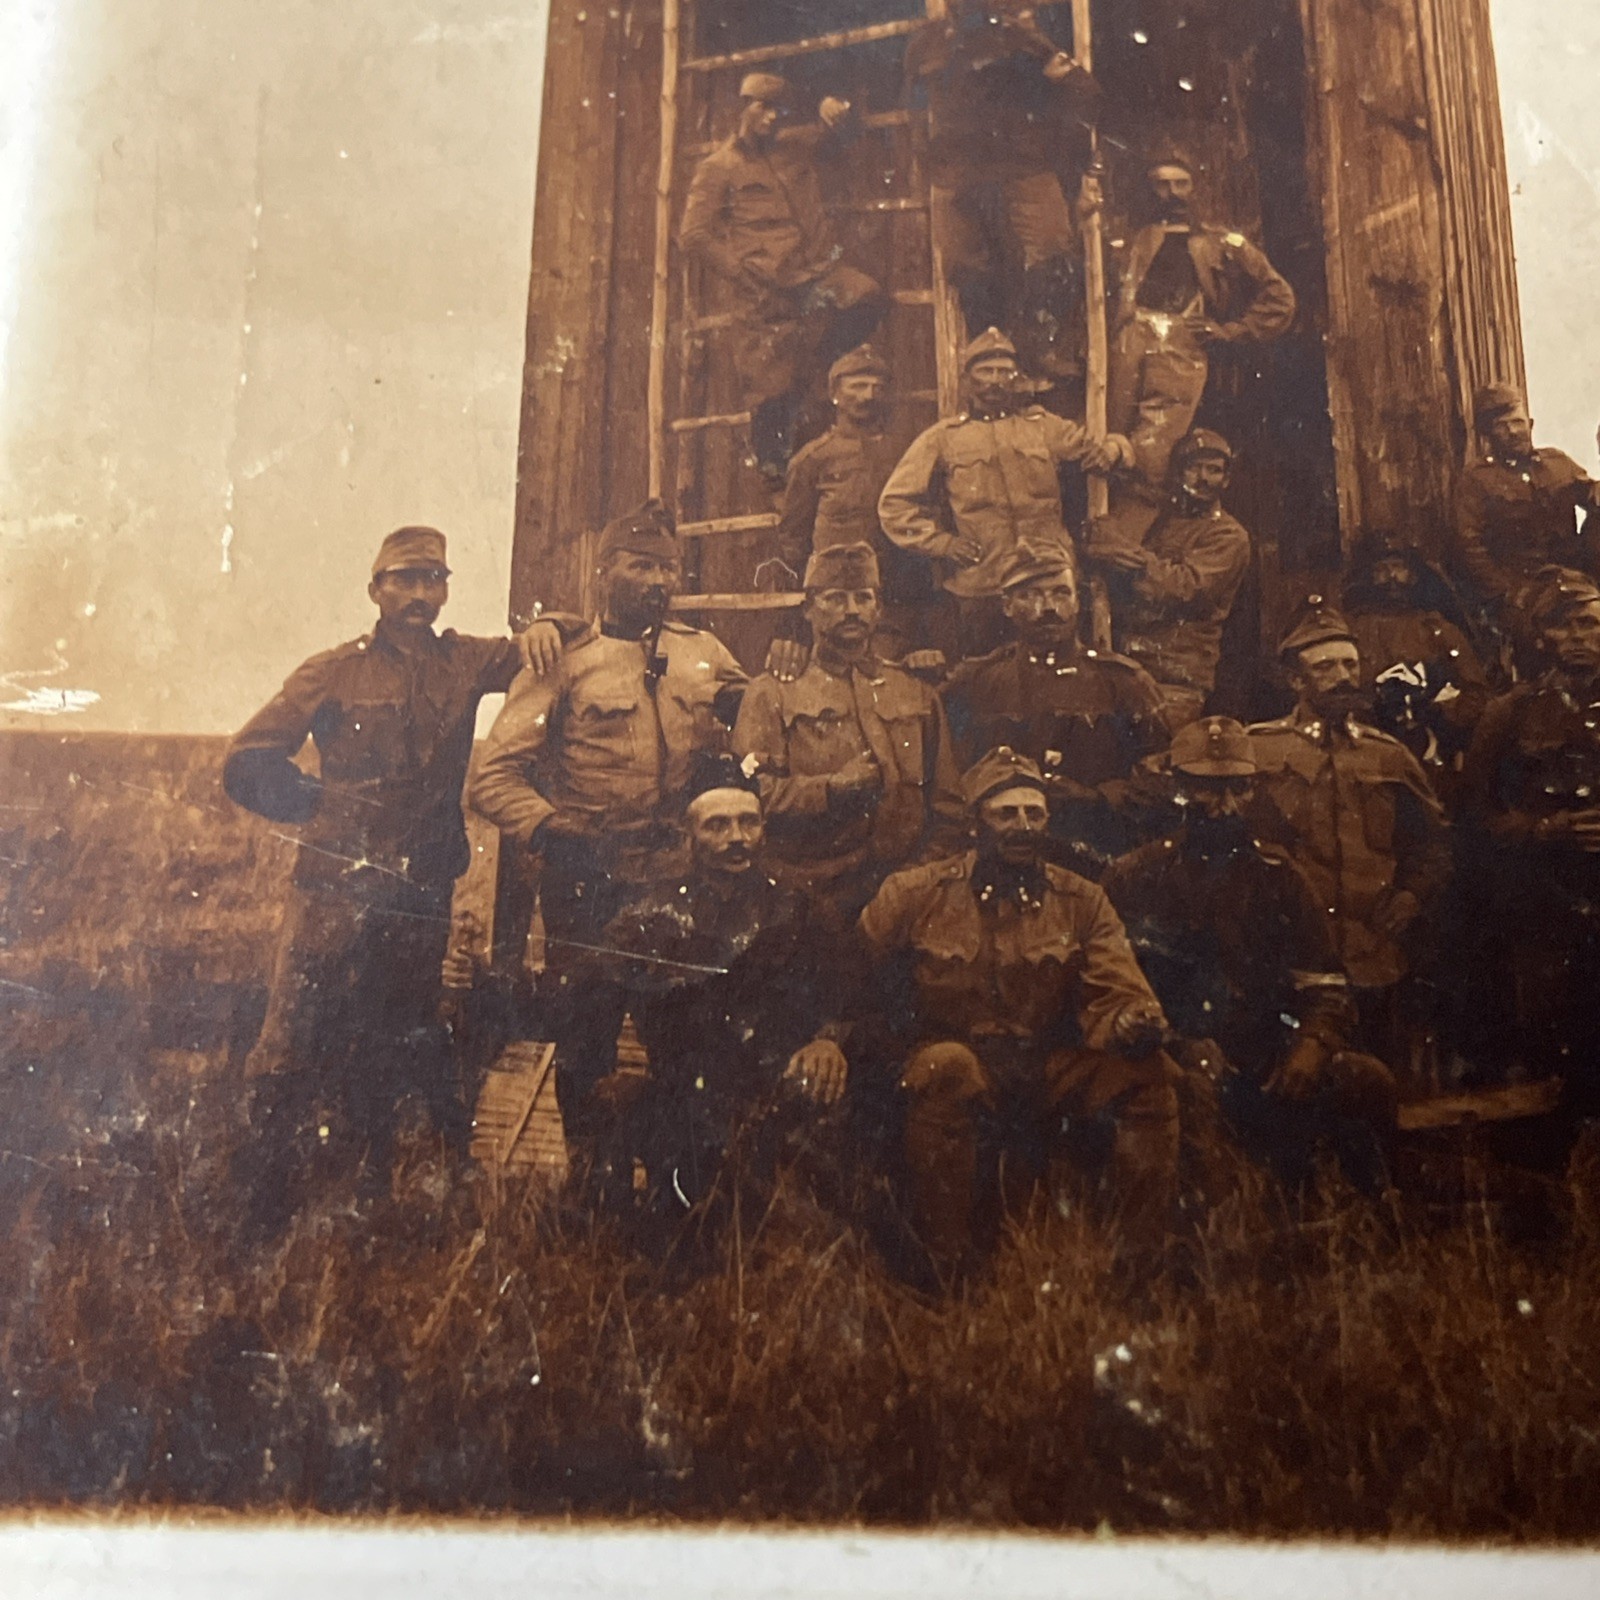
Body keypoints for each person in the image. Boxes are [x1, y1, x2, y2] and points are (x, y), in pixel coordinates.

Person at [221, 525, 577, 1236]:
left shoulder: (466, 661)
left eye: (433, 580)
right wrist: (316, 809)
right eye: (405, 580)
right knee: (289, 1050)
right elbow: (247, 758)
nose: (420, 595)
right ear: (376, 588)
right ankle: (258, 1213)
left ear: (445, 590)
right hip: (333, 895)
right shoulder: (334, 671)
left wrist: (546, 622)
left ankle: (373, 1203)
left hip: (416, 898)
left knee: (393, 1044)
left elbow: (569, 633)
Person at [467, 500, 747, 1167]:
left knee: (681, 1039)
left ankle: (677, 1202)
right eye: (641, 565)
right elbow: (493, 776)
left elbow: (763, 717)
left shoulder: (703, 654)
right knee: (586, 1041)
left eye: (668, 569)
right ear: (603, 574)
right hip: (587, 883)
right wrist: (553, 833)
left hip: (676, 877)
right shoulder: (565, 661)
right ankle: (591, 1198)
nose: (657, 582)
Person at [856, 747, 1180, 1283]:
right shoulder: (913, 893)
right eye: (1006, 814)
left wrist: (1129, 1021)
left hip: (1043, 1062)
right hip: (946, 1058)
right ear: (976, 823)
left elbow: (1117, 984)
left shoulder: (1082, 899)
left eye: (1034, 814)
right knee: (949, 1065)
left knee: (1150, 1075)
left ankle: (1139, 1264)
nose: (1022, 827)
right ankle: (942, 1264)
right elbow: (855, 983)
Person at [1104, 717, 1395, 1189]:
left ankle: (1376, 1221)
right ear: (1178, 789)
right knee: (1190, 1102)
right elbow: (1112, 986)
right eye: (1206, 790)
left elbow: (1327, 986)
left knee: (1367, 1081)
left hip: (1266, 1052)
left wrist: (1311, 1045)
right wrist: (1174, 1042)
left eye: (1236, 790)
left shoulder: (1279, 875)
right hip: (1173, 1052)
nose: (1222, 807)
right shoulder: (1137, 877)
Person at [590, 754, 856, 1241]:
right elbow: (594, 995)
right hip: (687, 1093)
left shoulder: (801, 906)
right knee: (694, 1230)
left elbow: (847, 993)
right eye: (718, 826)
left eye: (748, 822)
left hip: (781, 1086)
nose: (737, 838)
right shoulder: (652, 915)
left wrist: (828, 1040)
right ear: (690, 837)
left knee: (811, 1222)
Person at [1248, 600, 1451, 1079]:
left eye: (1350, 664)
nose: (1342, 676)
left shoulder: (1389, 756)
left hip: (1374, 956)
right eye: (1325, 667)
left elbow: (1433, 844)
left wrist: (1411, 895)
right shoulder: (1257, 750)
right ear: (1296, 681)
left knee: (1378, 1087)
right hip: (1292, 959)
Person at [733, 542, 963, 921]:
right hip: (808, 894)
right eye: (835, 599)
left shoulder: (915, 691)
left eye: (863, 598)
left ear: (878, 608)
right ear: (808, 609)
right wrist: (829, 790)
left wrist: (916, 878)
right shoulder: (772, 692)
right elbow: (750, 797)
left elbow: (949, 805)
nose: (852, 610)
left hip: (906, 891)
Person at [680, 72, 887, 485]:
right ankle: (775, 479)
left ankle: (816, 361)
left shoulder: (797, 147)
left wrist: (839, 109)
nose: (773, 118)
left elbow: (844, 136)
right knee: (772, 390)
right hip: (766, 289)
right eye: (764, 107)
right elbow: (693, 235)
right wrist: (740, 272)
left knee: (866, 296)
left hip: (815, 275)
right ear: (744, 107)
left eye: (781, 111)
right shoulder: (718, 168)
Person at [878, 326, 1131, 656]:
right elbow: (894, 504)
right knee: (984, 682)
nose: (995, 380)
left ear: (1017, 377)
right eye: (985, 371)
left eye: (1004, 371)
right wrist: (943, 543)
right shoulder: (943, 438)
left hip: (1048, 582)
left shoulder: (1043, 427)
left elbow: (1106, 448)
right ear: (968, 379)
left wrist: (1112, 450)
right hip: (983, 585)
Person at [941, 543, 1170, 878]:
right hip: (1000, 856)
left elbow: (1164, 775)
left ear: (1078, 601)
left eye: (1061, 593)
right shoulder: (978, 681)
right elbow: (946, 770)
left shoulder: (1123, 682)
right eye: (1031, 595)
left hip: (1094, 854)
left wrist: (1098, 797)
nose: (1049, 608)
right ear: (1007, 605)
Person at [1460, 568, 1600, 1114]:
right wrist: (1547, 830)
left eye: (1589, 625)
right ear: (1542, 637)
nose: (1578, 639)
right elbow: (1477, 817)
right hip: (1545, 906)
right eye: (1562, 628)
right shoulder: (1509, 713)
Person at [1105, 141, 1295, 542]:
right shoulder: (1129, 240)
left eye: (1181, 184)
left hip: (1178, 349)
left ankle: (1123, 546)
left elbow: (1279, 297)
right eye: (1161, 185)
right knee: (1109, 445)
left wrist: (1232, 331)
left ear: (1196, 188)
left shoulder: (1223, 242)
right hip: (1125, 346)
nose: (1171, 194)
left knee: (1149, 459)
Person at [904, 0, 1102, 381]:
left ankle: (1036, 345)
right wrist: (926, 166)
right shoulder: (925, 45)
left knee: (1053, 252)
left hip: (1022, 167)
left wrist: (1074, 166)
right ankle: (987, 360)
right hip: (956, 175)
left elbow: (1083, 93)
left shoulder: (1022, 39)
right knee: (968, 269)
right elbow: (914, 111)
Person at [774, 345, 934, 659]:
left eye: (877, 388)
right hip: (836, 593)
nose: (868, 396)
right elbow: (793, 540)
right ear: (835, 393)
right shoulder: (813, 458)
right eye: (857, 386)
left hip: (895, 594)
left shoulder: (905, 453)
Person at [1089, 427, 1252, 728]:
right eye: (1193, 467)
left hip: (1175, 679)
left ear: (1226, 480)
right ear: (1179, 474)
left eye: (1214, 470)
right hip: (1123, 668)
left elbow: (1185, 588)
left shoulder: (1228, 535)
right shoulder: (1155, 521)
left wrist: (1124, 554)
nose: (1202, 478)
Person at [1449, 383, 1600, 669]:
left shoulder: (1557, 462)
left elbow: (1589, 493)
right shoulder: (1477, 480)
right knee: (1542, 647)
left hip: (1573, 582)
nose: (1513, 432)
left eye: (1518, 423)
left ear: (1530, 424)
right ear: (1487, 435)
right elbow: (1469, 545)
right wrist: (1504, 593)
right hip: (1519, 589)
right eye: (1502, 427)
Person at [1342, 527, 1490, 804]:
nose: (1391, 578)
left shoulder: (1438, 630)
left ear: (1414, 575)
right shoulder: (1351, 630)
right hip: (1365, 749)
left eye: (1398, 568)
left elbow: (1476, 691)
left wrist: (1440, 716)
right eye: (1382, 569)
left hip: (1428, 752)